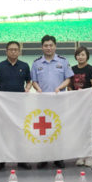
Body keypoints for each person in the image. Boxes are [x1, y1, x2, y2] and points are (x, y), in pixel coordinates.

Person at [31, 35, 74, 169]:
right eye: (46, 45)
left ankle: (58, 157)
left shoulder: (63, 61)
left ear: (55, 46)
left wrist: (60, 88)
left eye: (51, 45)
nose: (48, 48)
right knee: (43, 131)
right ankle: (44, 157)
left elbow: (68, 79)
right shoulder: (36, 63)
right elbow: (34, 81)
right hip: (42, 102)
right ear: (42, 47)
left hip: (59, 101)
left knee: (58, 128)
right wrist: (38, 89)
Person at [0, 41, 33, 172]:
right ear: (6, 51)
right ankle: (1, 160)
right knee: (3, 132)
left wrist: (27, 88)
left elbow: (29, 81)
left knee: (20, 131)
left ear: (19, 51)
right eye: (11, 49)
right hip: (3, 106)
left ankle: (21, 160)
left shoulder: (24, 66)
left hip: (19, 105)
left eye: (16, 49)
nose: (13, 51)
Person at [70, 46, 92, 168]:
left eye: (82, 54)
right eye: (78, 55)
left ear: (87, 56)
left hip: (88, 104)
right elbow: (70, 86)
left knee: (88, 129)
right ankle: (81, 155)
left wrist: (84, 94)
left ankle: (89, 156)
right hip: (76, 104)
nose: (80, 57)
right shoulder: (72, 69)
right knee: (79, 130)